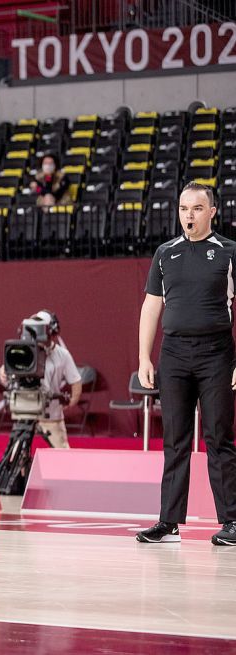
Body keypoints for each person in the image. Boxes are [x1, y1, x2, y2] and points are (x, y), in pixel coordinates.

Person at [137, 182, 236, 546]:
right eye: (183, 208)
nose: (188, 216)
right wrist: (144, 357)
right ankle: (168, 523)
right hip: (174, 353)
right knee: (174, 440)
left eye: (196, 208)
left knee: (218, 437)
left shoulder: (228, 251)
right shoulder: (165, 253)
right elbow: (151, 306)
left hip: (217, 354)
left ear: (212, 212)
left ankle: (232, 520)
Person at [0, 310, 82, 448]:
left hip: (51, 418)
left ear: (51, 331)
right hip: (25, 414)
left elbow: (76, 381)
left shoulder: (62, 354)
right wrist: (3, 372)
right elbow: (6, 370)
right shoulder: (24, 350)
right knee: (18, 455)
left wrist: (70, 403)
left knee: (62, 456)